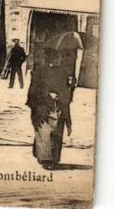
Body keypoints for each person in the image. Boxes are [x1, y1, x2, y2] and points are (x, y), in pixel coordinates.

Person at [26, 31, 84, 170]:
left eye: (61, 58)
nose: (60, 60)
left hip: (58, 106)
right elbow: (34, 90)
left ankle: (52, 158)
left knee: (56, 132)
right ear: (51, 59)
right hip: (43, 107)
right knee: (45, 132)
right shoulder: (40, 71)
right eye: (58, 57)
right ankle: (46, 160)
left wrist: (71, 84)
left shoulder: (63, 71)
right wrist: (48, 94)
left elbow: (67, 89)